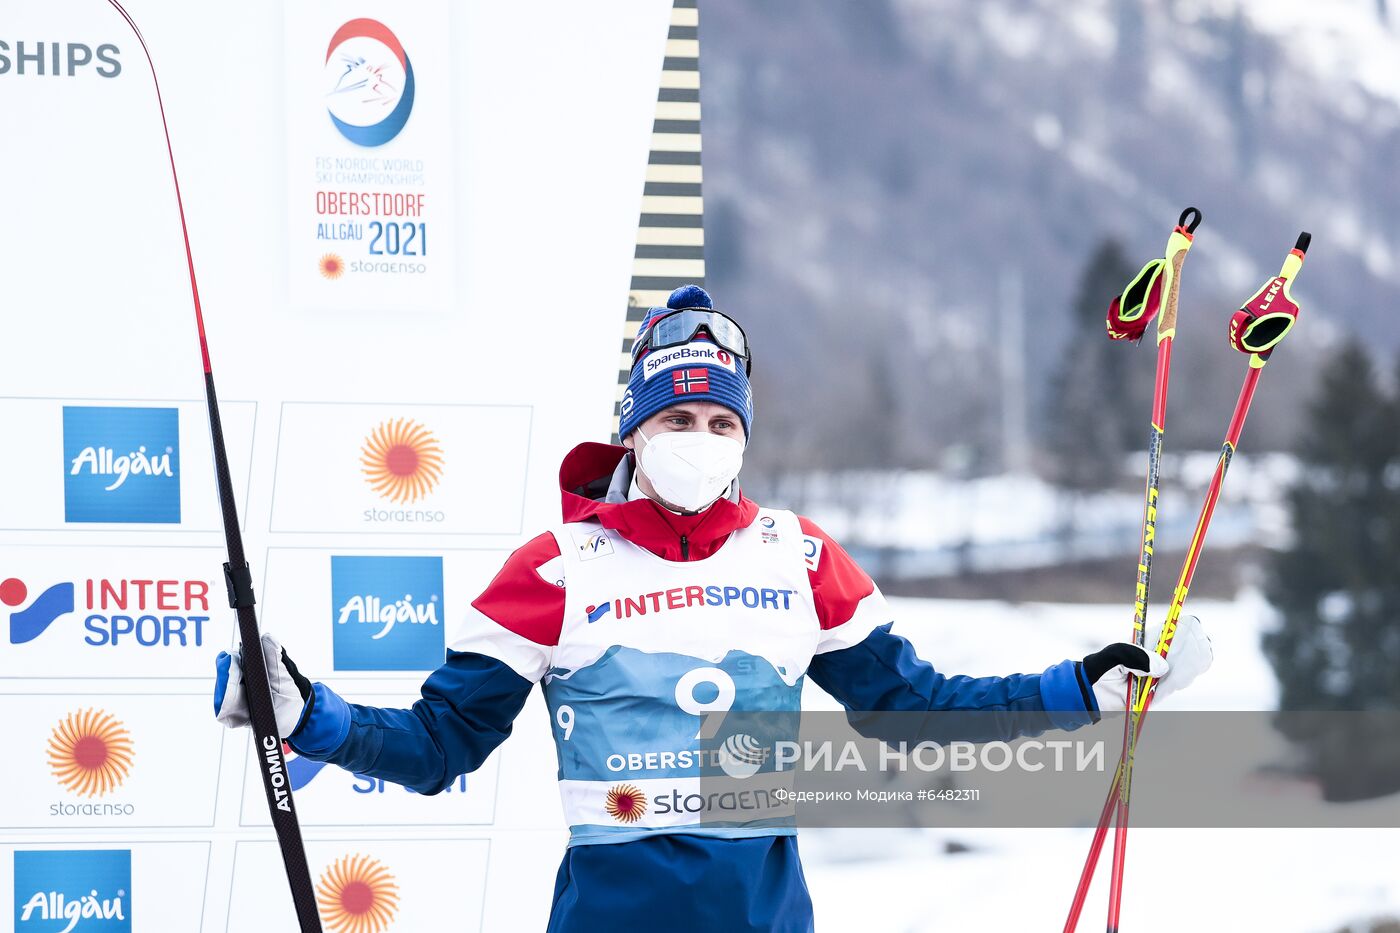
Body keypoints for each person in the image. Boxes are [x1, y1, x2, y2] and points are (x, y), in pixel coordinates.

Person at [214, 284, 1212, 933]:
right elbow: (439, 746)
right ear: (636, 438)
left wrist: (1082, 688)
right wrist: (304, 712)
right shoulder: (557, 569)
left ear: (743, 437)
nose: (699, 437)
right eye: (676, 419)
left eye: (718, 421)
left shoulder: (799, 558)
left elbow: (915, 709)